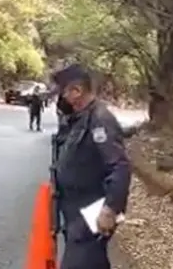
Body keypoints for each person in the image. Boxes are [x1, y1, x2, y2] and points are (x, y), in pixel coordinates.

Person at [50, 64, 131, 269]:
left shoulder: (100, 120)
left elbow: (120, 166)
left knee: (77, 263)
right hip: (74, 210)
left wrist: (110, 209)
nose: (60, 99)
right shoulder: (79, 119)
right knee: (92, 262)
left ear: (76, 91)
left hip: (90, 212)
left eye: (63, 92)